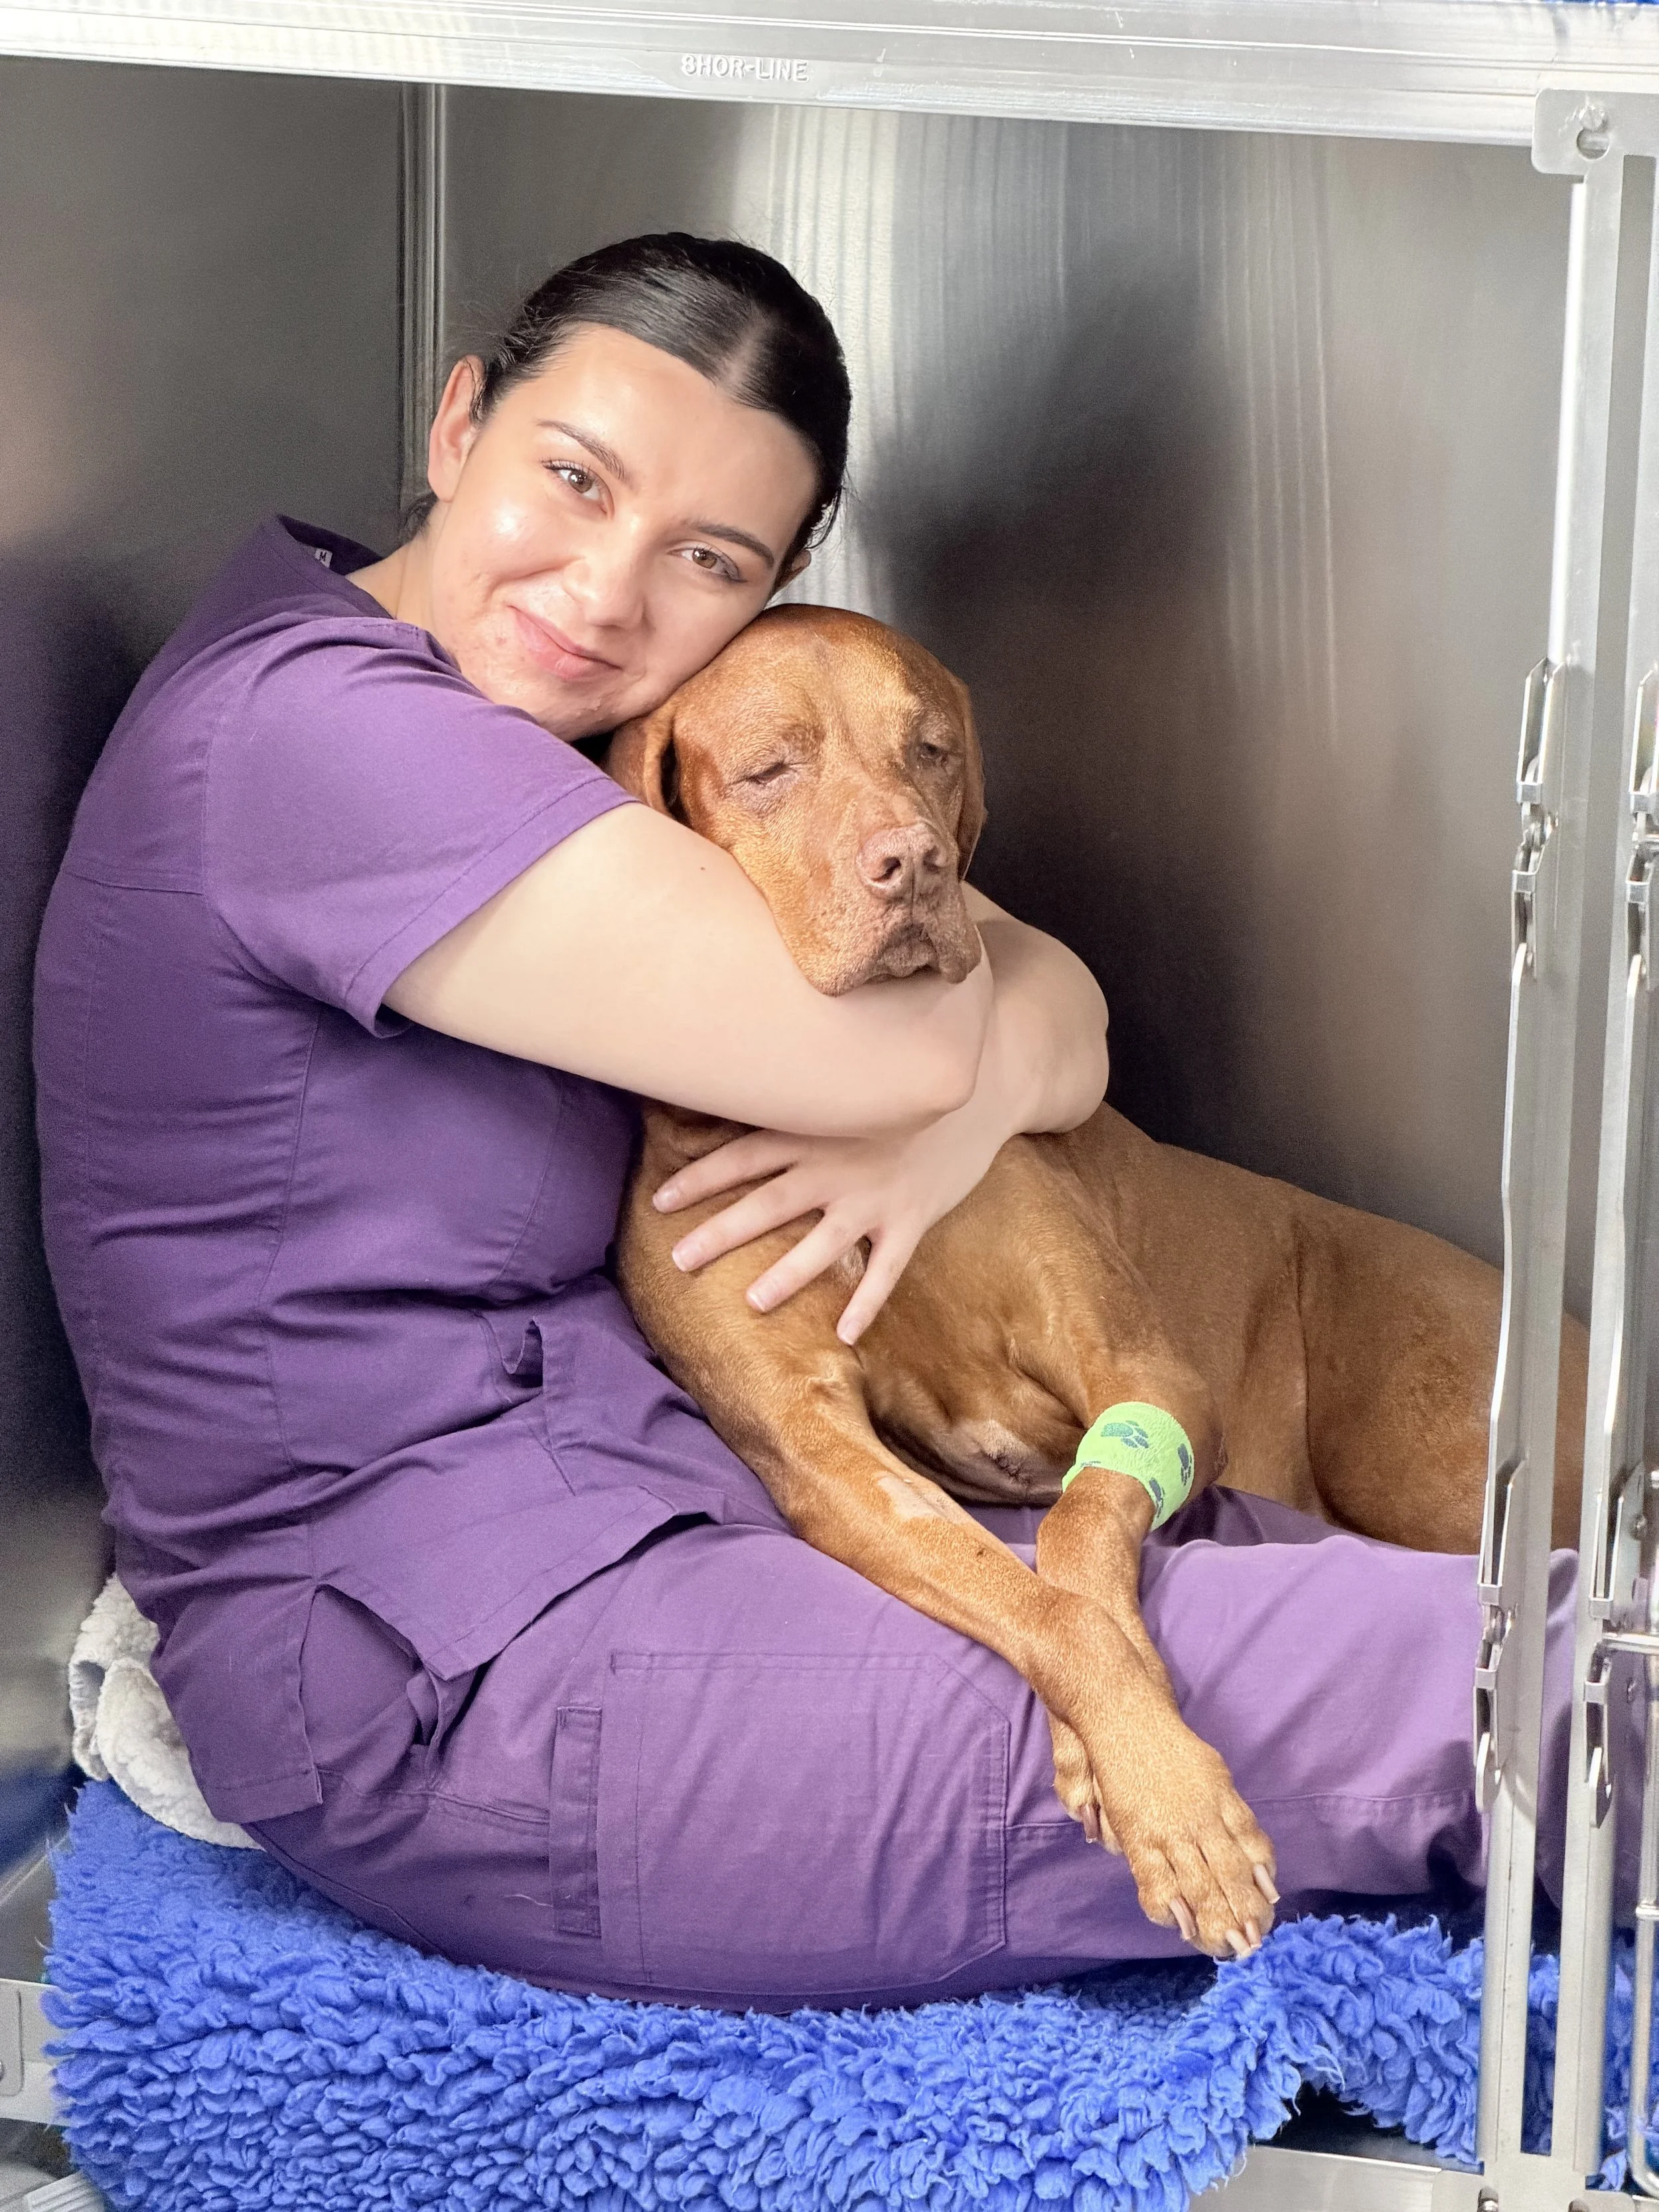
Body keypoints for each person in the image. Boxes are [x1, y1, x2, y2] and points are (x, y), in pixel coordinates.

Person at [34, 234, 1581, 2010]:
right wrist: (961, 1071)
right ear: (460, 419)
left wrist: (969, 1086)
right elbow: (924, 1034)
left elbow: (1048, 1009)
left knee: (1408, 1597)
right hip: (481, 1692)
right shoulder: (321, 741)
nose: (609, 589)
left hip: (689, 1550)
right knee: (1516, 1678)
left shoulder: (506, 725)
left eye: (712, 559)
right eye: (572, 475)